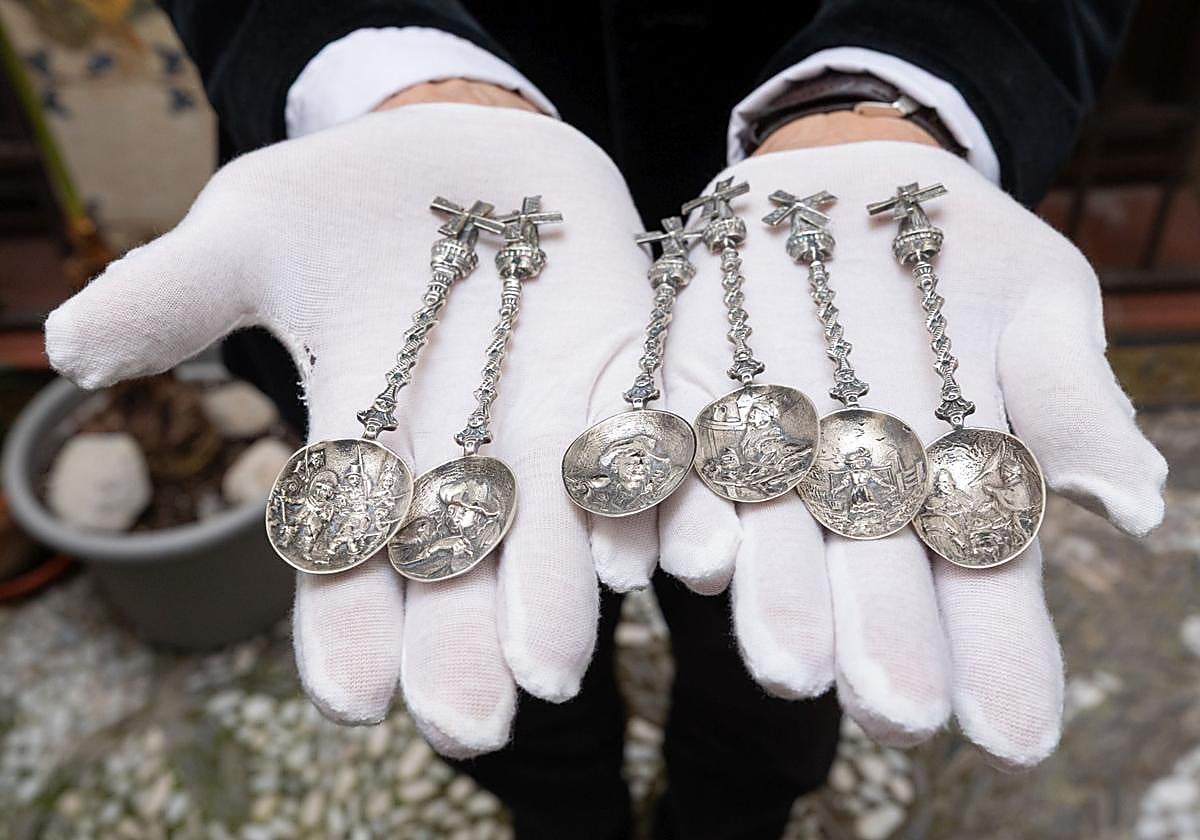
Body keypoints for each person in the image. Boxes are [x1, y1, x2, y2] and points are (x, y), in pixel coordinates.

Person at [44, 3, 1168, 838]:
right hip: (388, 228)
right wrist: (403, 76)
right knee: (485, 640)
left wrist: (899, 99)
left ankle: (733, 815)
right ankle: (555, 813)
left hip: (802, 214)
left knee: (787, 650)